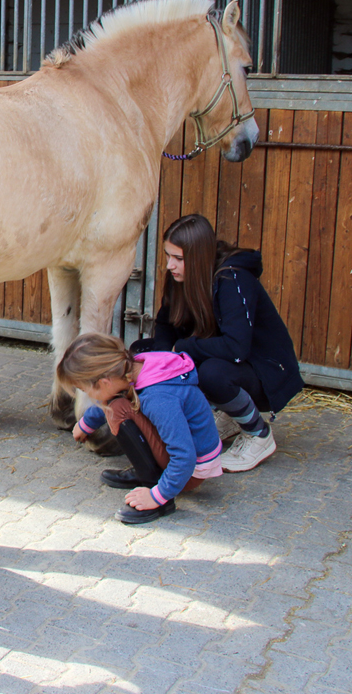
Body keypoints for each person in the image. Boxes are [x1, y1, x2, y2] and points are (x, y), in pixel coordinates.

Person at [134, 214, 304, 473]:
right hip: (224, 356)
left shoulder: (233, 279)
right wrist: (163, 362)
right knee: (142, 352)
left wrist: (182, 349)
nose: (170, 265)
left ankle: (258, 436)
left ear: (199, 257)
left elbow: (236, 349)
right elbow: (166, 324)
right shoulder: (179, 276)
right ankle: (226, 415)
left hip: (265, 372)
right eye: (168, 256)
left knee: (211, 373)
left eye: (178, 258)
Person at [58, 333, 223, 525]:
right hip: (188, 461)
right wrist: (87, 423)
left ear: (104, 382)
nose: (88, 396)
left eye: (86, 390)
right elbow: (118, 391)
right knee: (117, 401)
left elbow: (185, 456)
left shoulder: (158, 398)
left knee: (117, 409)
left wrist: (157, 496)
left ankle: (155, 486)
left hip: (190, 471)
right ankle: (145, 470)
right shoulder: (134, 366)